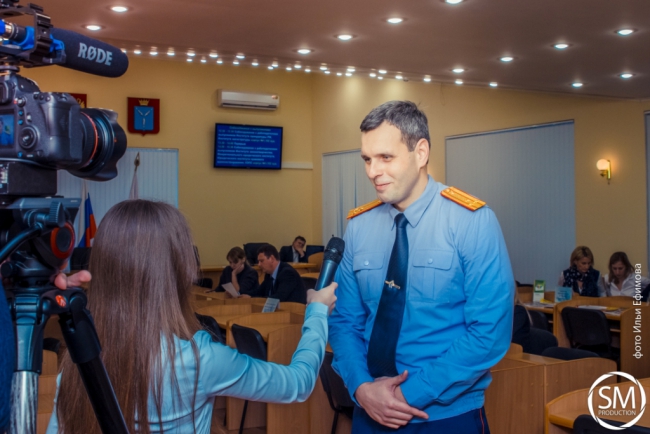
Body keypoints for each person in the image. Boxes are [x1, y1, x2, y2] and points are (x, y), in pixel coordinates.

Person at [46, 200, 336, 434]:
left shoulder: (76, 361)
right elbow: (297, 383)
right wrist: (317, 313)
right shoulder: (198, 359)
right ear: (180, 271)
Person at [328, 101, 514, 433]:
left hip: (444, 415)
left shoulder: (471, 221)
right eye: (367, 159)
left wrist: (406, 396)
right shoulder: (359, 226)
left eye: (386, 157)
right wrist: (362, 388)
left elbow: (489, 333)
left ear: (421, 152)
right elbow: (344, 322)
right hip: (370, 409)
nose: (372, 171)